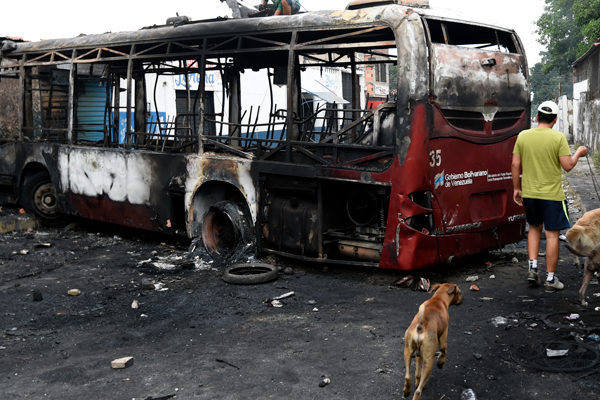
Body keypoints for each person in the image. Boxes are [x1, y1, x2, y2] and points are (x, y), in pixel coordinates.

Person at [511, 100, 588, 290]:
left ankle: (533, 268)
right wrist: (579, 152)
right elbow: (568, 166)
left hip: (530, 193)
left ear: (537, 117)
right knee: (552, 235)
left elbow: (515, 165)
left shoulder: (523, 136)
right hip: (552, 195)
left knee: (534, 228)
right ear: (554, 120)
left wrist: (516, 188)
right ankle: (551, 279)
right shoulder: (558, 138)